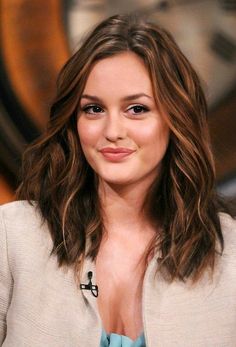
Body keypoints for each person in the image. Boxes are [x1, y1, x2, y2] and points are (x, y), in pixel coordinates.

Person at [0, 13, 235, 347]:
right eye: (93, 109)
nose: (112, 132)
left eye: (136, 109)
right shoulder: (13, 235)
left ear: (175, 120)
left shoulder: (229, 254)